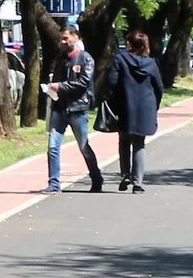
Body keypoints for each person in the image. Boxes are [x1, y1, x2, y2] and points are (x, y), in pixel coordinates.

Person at [42, 26, 104, 193]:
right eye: (61, 38)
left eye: (66, 38)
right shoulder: (60, 59)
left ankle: (96, 177)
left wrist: (60, 86)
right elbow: (54, 79)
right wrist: (52, 88)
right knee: (53, 146)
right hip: (59, 108)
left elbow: (83, 82)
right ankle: (54, 183)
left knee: (83, 146)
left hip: (78, 108)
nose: (63, 42)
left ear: (76, 38)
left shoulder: (85, 59)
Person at [104, 30, 165, 192]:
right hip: (146, 108)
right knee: (139, 144)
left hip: (125, 106)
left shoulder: (120, 59)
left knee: (124, 141)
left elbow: (111, 82)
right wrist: (155, 106)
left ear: (130, 44)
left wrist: (113, 101)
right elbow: (159, 88)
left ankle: (125, 174)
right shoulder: (151, 63)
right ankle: (138, 182)